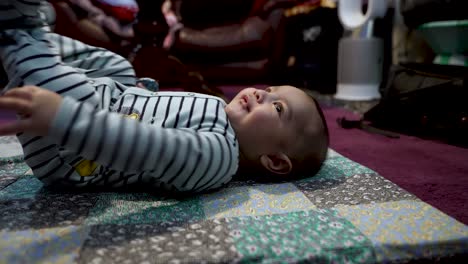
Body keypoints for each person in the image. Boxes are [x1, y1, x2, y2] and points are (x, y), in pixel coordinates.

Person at [0, 0, 329, 193]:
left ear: (273, 160)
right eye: (270, 89)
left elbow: (141, 146)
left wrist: (63, 120)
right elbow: (157, 110)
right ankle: (31, 36)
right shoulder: (222, 112)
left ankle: (17, 36)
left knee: (62, 84)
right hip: (106, 103)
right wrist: (139, 90)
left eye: (277, 106)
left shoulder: (217, 159)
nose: (261, 92)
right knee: (119, 67)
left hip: (71, 152)